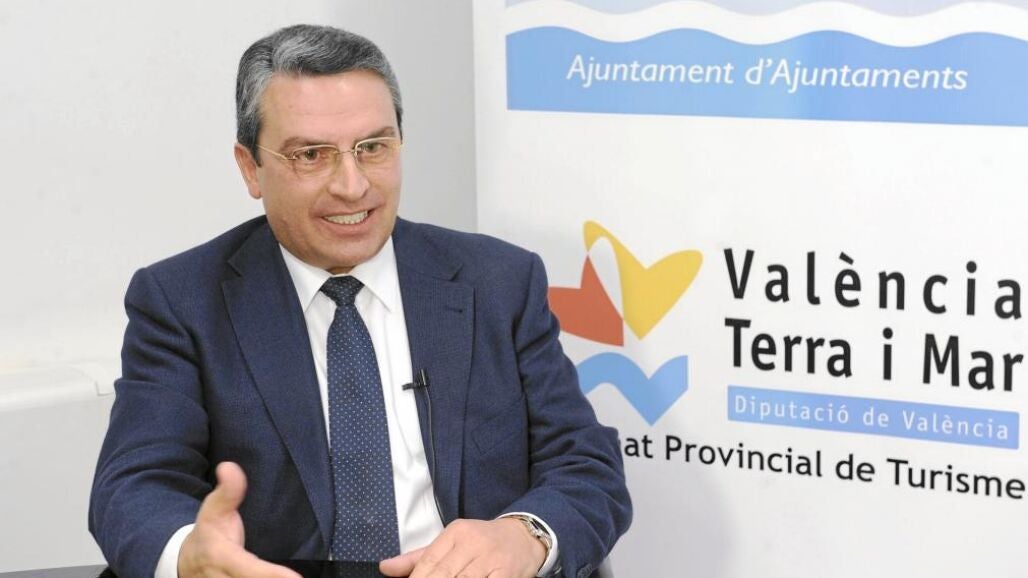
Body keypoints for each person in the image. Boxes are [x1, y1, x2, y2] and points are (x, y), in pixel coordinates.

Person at [89, 24, 631, 578]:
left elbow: (586, 464)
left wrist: (525, 535)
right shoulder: (182, 301)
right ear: (251, 167)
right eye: (311, 155)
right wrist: (190, 557)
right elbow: (134, 486)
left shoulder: (498, 281)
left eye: (373, 148)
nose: (352, 186)